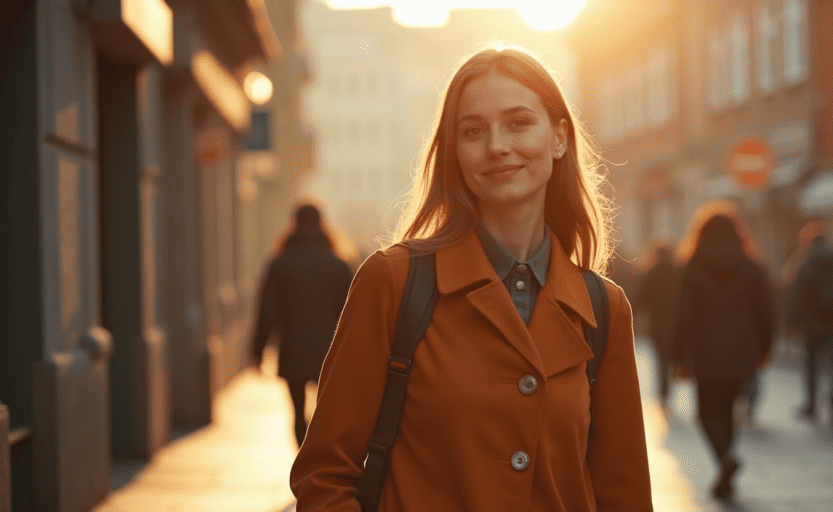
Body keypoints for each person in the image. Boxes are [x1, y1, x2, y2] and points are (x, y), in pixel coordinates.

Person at [290, 46, 653, 511]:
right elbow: (324, 474)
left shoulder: (603, 307)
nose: (497, 145)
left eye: (519, 123)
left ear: (559, 138)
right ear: (455, 152)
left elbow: (624, 495)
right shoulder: (393, 283)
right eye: (473, 131)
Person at [669, 201, 774, 501]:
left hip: (705, 352)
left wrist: (678, 356)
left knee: (705, 412)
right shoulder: (752, 266)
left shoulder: (692, 267)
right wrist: (764, 348)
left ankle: (724, 458)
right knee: (730, 409)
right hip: (742, 351)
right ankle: (726, 460)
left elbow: (683, 315)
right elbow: (766, 313)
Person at [251, 203, 354, 446]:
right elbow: (352, 313)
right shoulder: (339, 266)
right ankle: (320, 459)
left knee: (298, 413)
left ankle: (303, 460)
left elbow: (267, 313)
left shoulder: (280, 264)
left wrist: (258, 351)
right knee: (325, 412)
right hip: (329, 350)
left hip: (293, 348)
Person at [787, 223, 833, 429]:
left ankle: (811, 405)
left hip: (812, 326)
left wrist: (792, 320)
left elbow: (798, 296)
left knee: (810, 366)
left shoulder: (806, 264)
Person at [636, 244, 678, 411]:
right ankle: (667, 391)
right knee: (669, 358)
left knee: (660, 359)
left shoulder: (650, 271)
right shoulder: (677, 270)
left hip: (656, 324)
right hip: (673, 322)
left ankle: (663, 393)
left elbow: (642, 299)